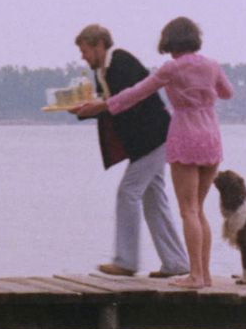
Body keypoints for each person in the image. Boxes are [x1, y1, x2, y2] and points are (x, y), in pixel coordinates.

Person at [76, 17, 234, 289]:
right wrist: (203, 92)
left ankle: (190, 274)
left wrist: (101, 106)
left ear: (168, 41)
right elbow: (227, 93)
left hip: (184, 135)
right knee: (197, 209)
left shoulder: (170, 68)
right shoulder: (212, 65)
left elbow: (135, 93)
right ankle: (200, 272)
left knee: (187, 210)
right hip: (211, 136)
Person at [71, 24, 189, 279]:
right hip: (146, 142)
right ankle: (176, 263)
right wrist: (84, 110)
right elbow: (111, 105)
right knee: (154, 201)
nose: (83, 56)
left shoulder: (121, 62)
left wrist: (97, 107)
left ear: (100, 45)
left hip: (154, 138)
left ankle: (126, 261)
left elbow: (127, 100)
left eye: (85, 50)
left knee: (128, 193)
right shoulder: (103, 71)